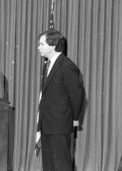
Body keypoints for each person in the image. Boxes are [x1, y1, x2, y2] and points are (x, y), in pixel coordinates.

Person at [36, 29, 84, 171]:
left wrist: (74, 118)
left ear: (53, 45)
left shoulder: (67, 66)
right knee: (49, 164)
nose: (38, 47)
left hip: (60, 124)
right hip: (46, 123)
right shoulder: (47, 65)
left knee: (61, 164)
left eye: (41, 44)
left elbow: (77, 95)